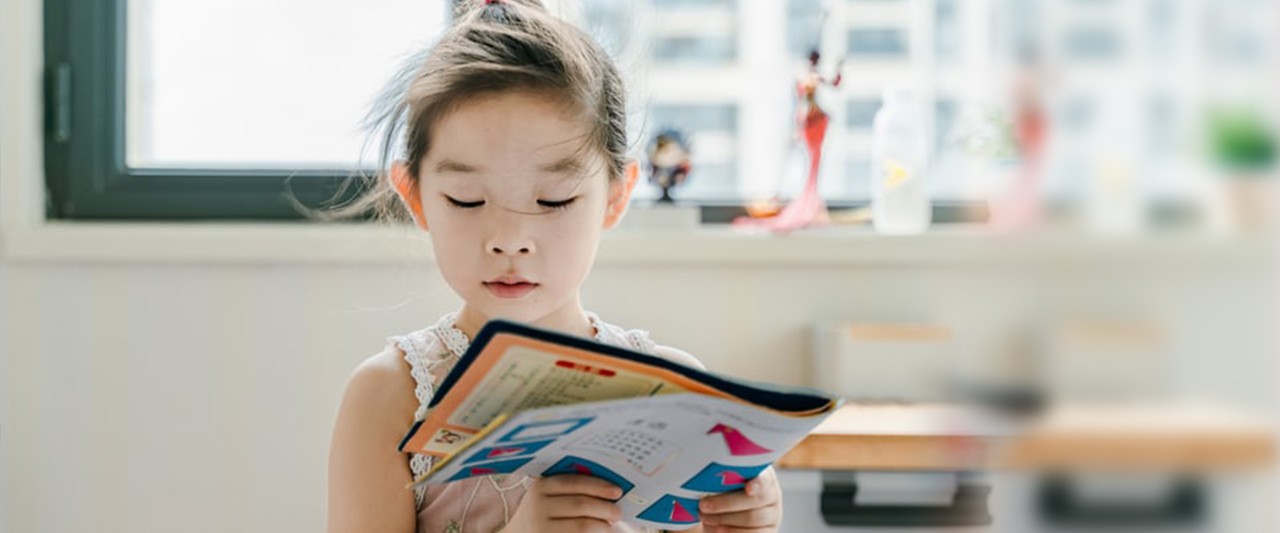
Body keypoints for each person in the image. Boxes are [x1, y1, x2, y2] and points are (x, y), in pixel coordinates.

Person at [326, 1, 783, 532]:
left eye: (554, 200)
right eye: (468, 199)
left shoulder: (677, 392)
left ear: (616, 196)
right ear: (416, 196)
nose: (510, 240)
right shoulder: (390, 395)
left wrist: (748, 521)